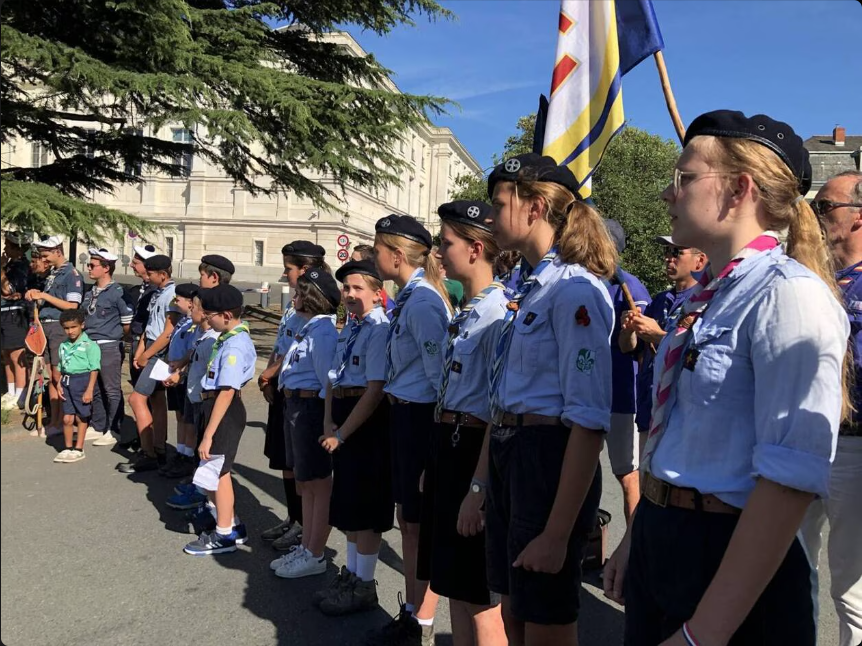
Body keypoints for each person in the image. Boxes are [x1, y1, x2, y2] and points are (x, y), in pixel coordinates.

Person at [603, 110, 850, 646]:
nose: (669, 194)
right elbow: (681, 437)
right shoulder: (701, 301)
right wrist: (637, 537)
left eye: (685, 178)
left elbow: (787, 482)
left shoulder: (788, 295)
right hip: (664, 539)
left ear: (739, 189)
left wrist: (700, 636)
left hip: (730, 556)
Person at [484, 153, 615, 646]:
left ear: (535, 207)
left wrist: (559, 534)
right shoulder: (534, 288)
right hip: (511, 446)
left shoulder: (574, 291)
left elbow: (587, 421)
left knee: (546, 617)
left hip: (546, 456)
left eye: (499, 204)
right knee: (514, 606)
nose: (492, 216)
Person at [422, 200, 508, 645]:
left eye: (446, 242)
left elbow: (496, 411)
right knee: (452, 581)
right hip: (450, 443)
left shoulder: (497, 315)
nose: (438, 252)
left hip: (473, 448)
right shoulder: (470, 311)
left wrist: (478, 488)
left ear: (475, 249)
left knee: (479, 595)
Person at [364, 214, 452, 646]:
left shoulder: (423, 303)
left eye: (378, 248)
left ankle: (422, 621)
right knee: (410, 521)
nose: (373, 255)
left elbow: (440, 380)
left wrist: (434, 450)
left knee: (419, 523)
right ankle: (414, 612)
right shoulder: (409, 298)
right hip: (404, 416)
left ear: (396, 255)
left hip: (421, 420)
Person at [800, 169, 862, 646]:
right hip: (803, 443)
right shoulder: (813, 279)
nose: (816, 216)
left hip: (854, 451)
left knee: (851, 589)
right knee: (791, 572)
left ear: (858, 217)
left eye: (825, 207)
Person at [314, 259, 392, 615]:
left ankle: (364, 584)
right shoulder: (350, 328)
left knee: (366, 507)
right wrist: (329, 420)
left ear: (378, 294)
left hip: (365, 423)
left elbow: (374, 390)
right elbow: (333, 378)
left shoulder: (378, 329)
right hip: (342, 416)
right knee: (346, 505)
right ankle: (351, 575)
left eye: (358, 288)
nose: (349, 294)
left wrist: (343, 434)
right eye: (346, 288)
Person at [259, 241, 329, 551]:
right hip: (284, 386)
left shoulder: (314, 310)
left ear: (306, 269)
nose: (285, 273)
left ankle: (303, 526)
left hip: (299, 390)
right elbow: (280, 343)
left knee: (301, 465)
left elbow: (294, 352)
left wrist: (269, 373)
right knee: (285, 460)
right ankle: (293, 518)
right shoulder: (293, 305)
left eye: (289, 268)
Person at [271, 269, 339, 579]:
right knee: (306, 483)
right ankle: (308, 546)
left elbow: (328, 380)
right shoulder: (309, 328)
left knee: (317, 484)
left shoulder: (323, 331)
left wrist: (327, 422)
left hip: (311, 407)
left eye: (300, 292)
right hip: (297, 404)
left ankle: (315, 552)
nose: (295, 297)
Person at [183, 284, 256, 555]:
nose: (206, 318)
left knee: (218, 472)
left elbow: (227, 391)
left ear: (226, 315)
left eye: (210, 314)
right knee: (217, 471)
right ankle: (233, 525)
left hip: (222, 410)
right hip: (213, 406)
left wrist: (208, 434)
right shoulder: (227, 338)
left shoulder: (235, 344)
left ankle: (223, 534)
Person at [621, 237, 706, 450]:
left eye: (676, 252)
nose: (668, 258)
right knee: (645, 481)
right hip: (648, 407)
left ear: (700, 261)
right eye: (666, 252)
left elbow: (697, 354)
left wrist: (658, 335)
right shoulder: (659, 301)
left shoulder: (704, 303)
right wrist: (629, 329)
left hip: (678, 413)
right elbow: (628, 348)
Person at [602, 219, 651, 525]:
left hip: (621, 397)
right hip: (587, 392)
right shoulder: (581, 282)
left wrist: (629, 330)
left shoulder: (628, 287)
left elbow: (631, 347)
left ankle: (632, 547)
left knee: (627, 474)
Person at [119, 254, 179, 473]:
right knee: (155, 398)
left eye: (151, 273)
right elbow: (150, 326)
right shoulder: (157, 292)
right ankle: (158, 447)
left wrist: (148, 354)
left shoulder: (171, 295)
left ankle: (149, 453)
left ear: (163, 275)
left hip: (160, 352)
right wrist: (140, 351)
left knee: (136, 399)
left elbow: (168, 332)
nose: (148, 275)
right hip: (151, 347)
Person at [24, 235, 83, 436]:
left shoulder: (71, 274)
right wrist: (36, 296)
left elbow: (72, 306)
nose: (44, 259)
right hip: (46, 327)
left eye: (46, 255)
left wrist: (44, 296)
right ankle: (55, 421)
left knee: (59, 376)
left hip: (59, 328)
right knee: (49, 376)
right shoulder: (54, 274)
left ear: (58, 251)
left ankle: (65, 420)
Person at [82, 247, 133, 446]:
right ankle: (98, 425)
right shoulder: (91, 291)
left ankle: (115, 429)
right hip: (90, 345)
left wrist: (117, 337)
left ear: (106, 268)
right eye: (89, 264)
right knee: (94, 387)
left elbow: (126, 322)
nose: (89, 268)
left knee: (111, 388)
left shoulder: (118, 292)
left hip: (109, 345)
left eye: (93, 265)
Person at [160, 282, 200, 478]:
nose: (176, 302)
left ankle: (187, 454)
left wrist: (181, 370)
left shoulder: (194, 325)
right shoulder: (184, 321)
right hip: (173, 373)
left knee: (187, 418)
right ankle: (180, 450)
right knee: (179, 416)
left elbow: (192, 352)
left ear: (191, 303)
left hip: (183, 377)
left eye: (179, 300)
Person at [53, 309, 101, 464]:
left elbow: (94, 369)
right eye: (66, 328)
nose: (70, 331)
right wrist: (59, 383)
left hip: (82, 381)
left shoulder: (90, 345)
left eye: (73, 327)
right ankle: (67, 447)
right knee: (67, 418)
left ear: (82, 325)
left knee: (81, 416)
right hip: (67, 381)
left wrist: (89, 389)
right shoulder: (63, 345)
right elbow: (61, 366)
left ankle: (79, 448)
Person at [1, 231, 31, 411]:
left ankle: (21, 392)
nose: (4, 248)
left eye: (8, 245)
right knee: (6, 355)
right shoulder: (10, 265)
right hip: (4, 312)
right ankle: (11, 391)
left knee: (16, 355)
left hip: (15, 314)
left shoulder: (21, 266)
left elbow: (7, 289)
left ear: (18, 248)